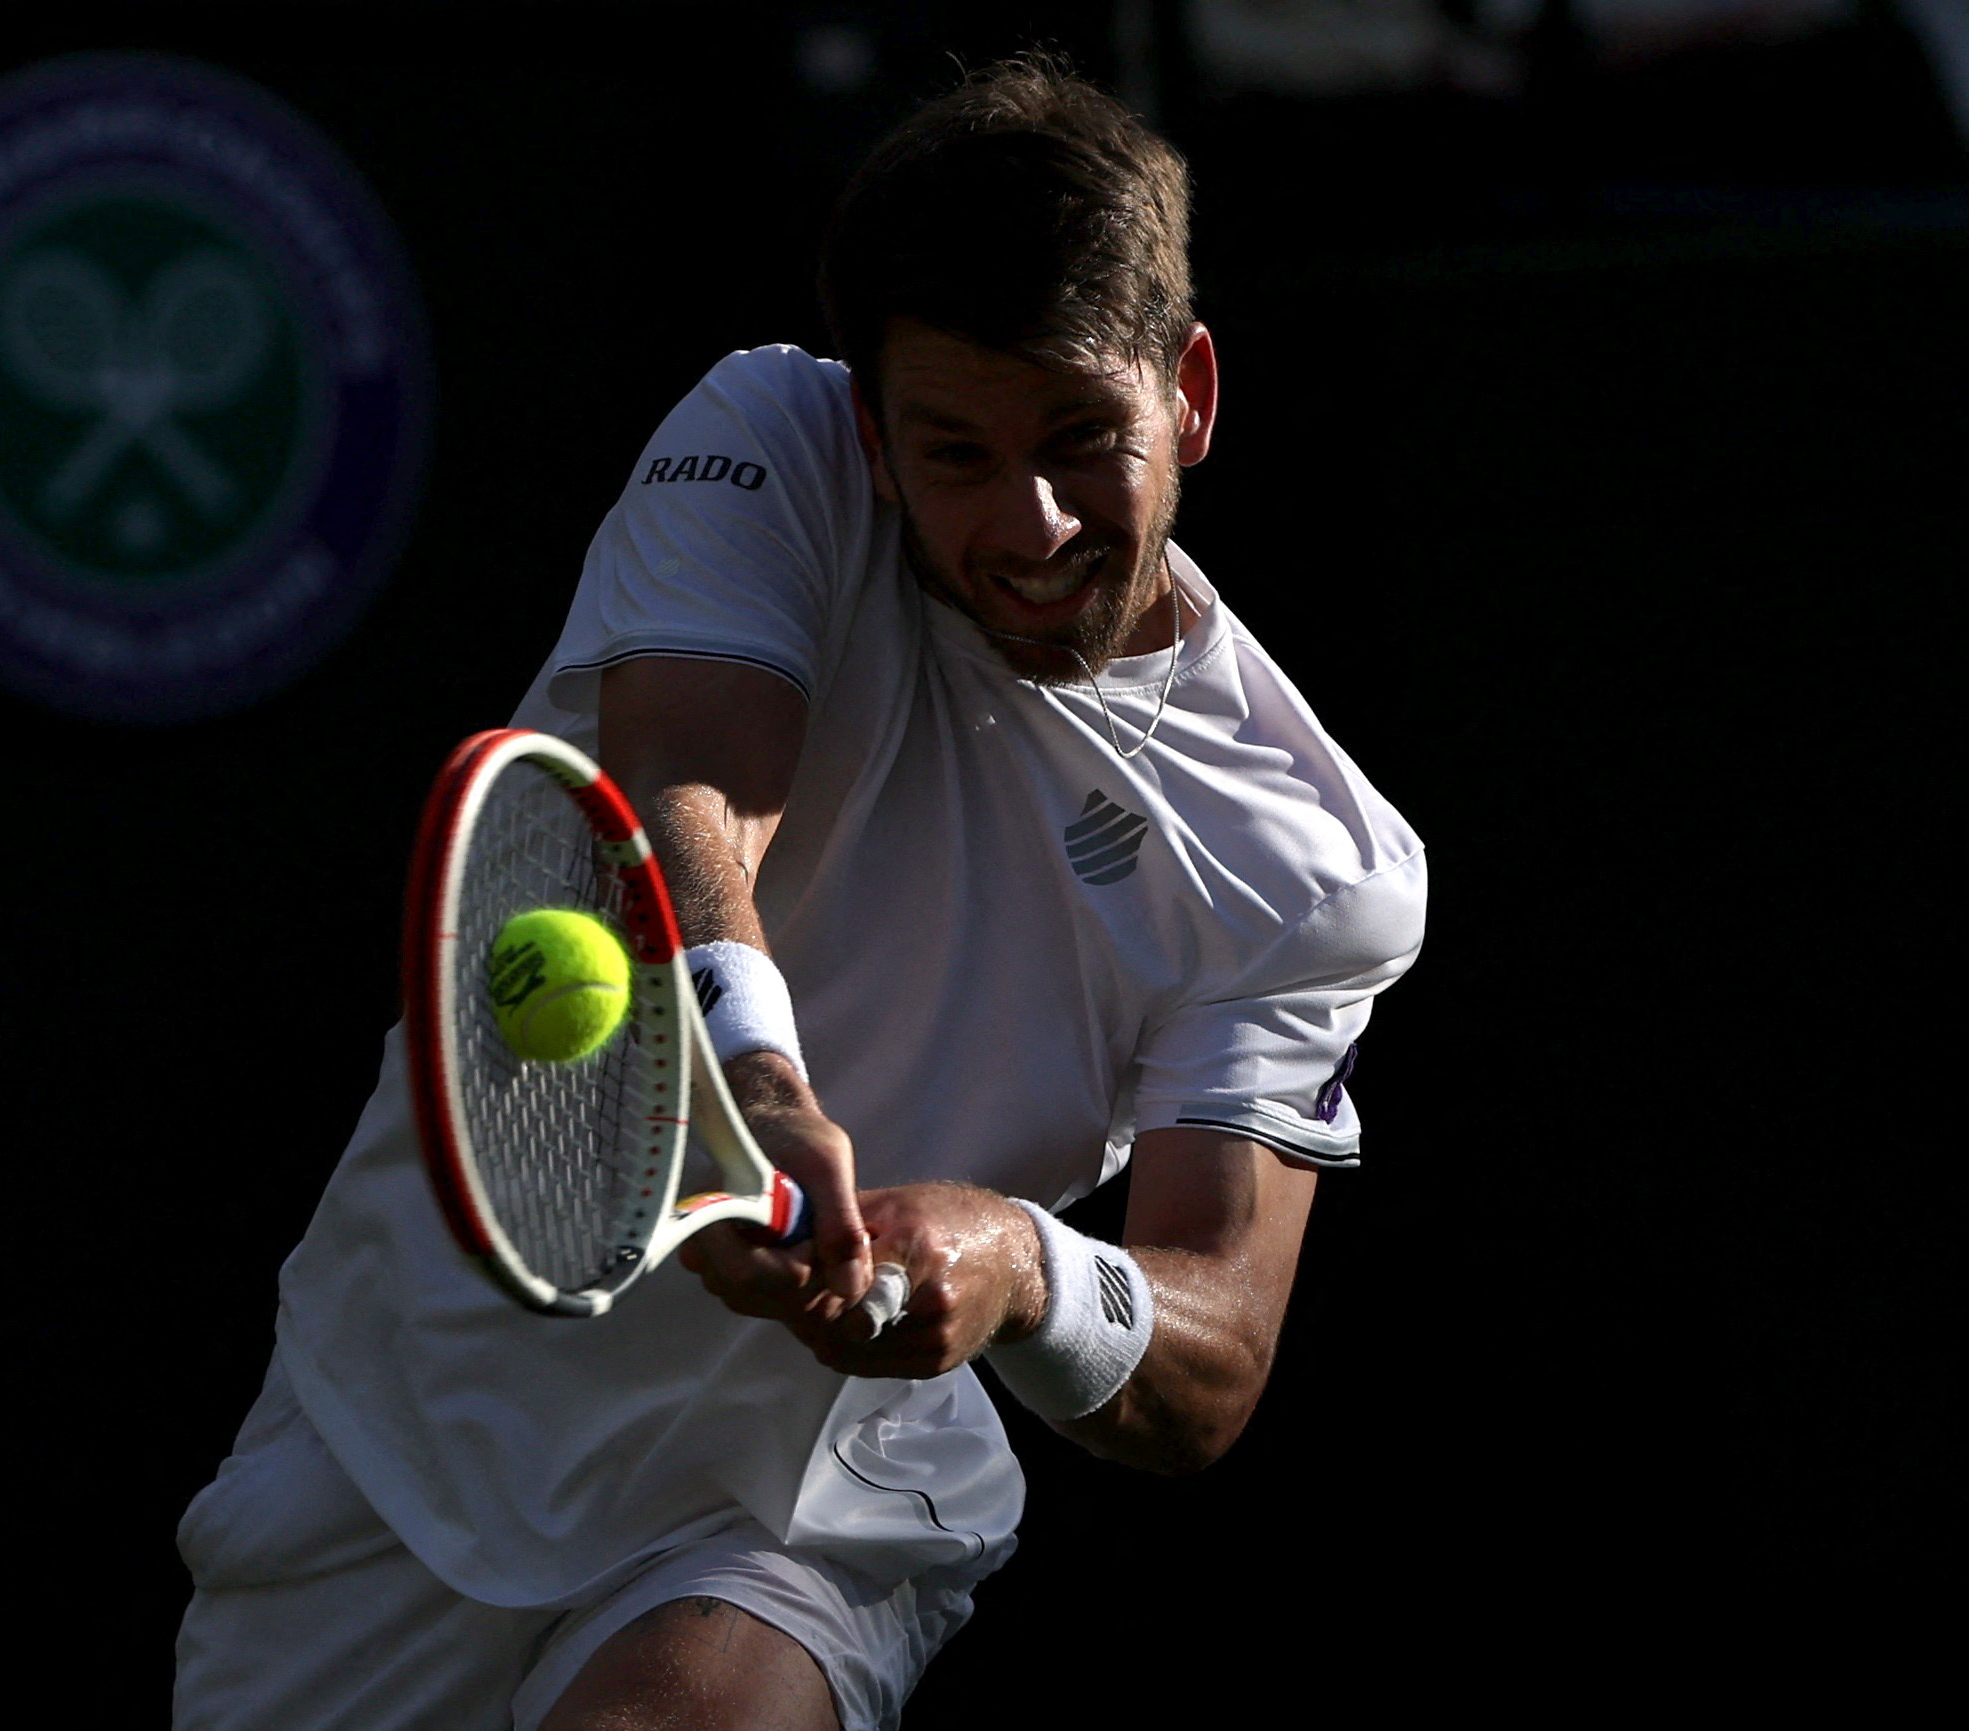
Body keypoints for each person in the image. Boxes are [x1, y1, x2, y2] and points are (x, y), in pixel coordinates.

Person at [174, 56, 1426, 1731]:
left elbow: (1213, 1360)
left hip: (799, 1512)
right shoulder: (769, 439)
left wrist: (1015, 1265)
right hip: (400, 1420)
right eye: (956, 452)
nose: (1031, 522)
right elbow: (689, 783)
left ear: (1188, 394)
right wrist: (756, 1067)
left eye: (1081, 439)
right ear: (874, 434)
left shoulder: (1314, 865)